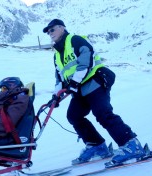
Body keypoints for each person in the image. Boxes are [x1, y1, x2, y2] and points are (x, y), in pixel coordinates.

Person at [43, 19, 145, 166]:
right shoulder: (57, 54)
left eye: (52, 30)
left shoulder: (75, 40)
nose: (49, 33)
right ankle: (97, 145)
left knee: (102, 113)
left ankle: (131, 145)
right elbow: (59, 78)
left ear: (62, 28)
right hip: (79, 88)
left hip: (95, 80)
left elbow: (86, 61)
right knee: (74, 116)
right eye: (47, 32)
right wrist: (55, 96)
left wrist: (74, 82)